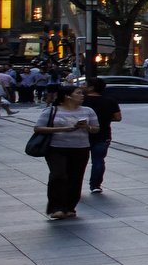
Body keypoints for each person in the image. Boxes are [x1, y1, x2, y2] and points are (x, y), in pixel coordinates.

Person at [36, 83, 100, 220]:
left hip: (81, 148)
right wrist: (63, 129)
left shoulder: (88, 111)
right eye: (78, 93)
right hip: (56, 148)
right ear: (67, 96)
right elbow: (38, 128)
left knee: (75, 177)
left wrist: (86, 127)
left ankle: (70, 207)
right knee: (58, 175)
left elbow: (96, 129)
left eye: (82, 93)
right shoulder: (52, 111)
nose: (82, 96)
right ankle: (56, 207)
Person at [79, 76, 122, 192]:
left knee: (78, 162)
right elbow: (118, 118)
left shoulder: (82, 101)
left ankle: (76, 185)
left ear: (91, 87)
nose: (83, 86)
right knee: (98, 160)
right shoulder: (110, 100)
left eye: (85, 85)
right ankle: (95, 185)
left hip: (82, 134)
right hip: (103, 134)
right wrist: (105, 119)